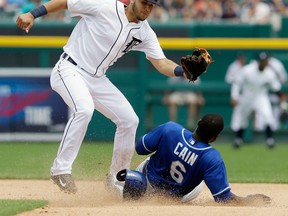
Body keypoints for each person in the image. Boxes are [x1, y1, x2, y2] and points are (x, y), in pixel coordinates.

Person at [16, 0, 197, 194]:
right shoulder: (104, 6)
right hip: (69, 68)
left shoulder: (145, 32)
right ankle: (60, 169)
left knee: (129, 120)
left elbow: (161, 64)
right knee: (84, 109)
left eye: (152, 6)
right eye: (145, 2)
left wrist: (182, 71)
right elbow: (66, 2)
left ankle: (117, 178)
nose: (147, 8)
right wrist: (32, 14)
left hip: (97, 79)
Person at [116, 113, 271, 204]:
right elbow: (224, 198)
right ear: (215, 137)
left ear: (198, 123)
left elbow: (140, 148)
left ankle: (121, 184)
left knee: (153, 158)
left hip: (146, 180)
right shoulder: (212, 158)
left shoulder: (170, 128)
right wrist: (248, 200)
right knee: (199, 183)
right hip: (174, 197)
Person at [230, 52, 284, 148]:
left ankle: (270, 140)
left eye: (265, 61)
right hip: (247, 95)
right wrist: (234, 96)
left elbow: (276, 88)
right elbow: (237, 83)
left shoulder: (269, 73)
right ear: (258, 61)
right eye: (262, 61)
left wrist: (282, 99)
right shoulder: (247, 70)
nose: (263, 63)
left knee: (268, 117)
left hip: (261, 96)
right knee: (242, 119)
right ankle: (238, 139)